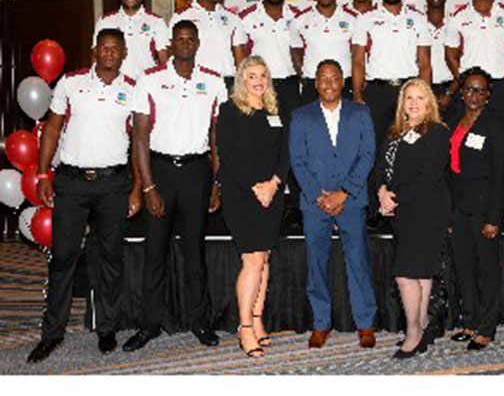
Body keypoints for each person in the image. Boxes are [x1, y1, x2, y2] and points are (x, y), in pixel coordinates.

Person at [27, 29, 141, 363]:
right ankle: (52, 333)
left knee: (110, 259)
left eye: (115, 49)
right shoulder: (71, 83)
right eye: (103, 48)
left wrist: (136, 187)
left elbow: (138, 143)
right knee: (63, 257)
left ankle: (106, 328)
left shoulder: (133, 89)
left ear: (123, 54)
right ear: (94, 51)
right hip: (72, 182)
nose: (109, 53)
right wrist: (44, 172)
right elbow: (52, 127)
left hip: (113, 184)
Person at [123, 20, 227, 352]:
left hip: (197, 173)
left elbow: (216, 138)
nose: (184, 44)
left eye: (190, 40)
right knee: (155, 253)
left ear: (197, 44)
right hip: (161, 172)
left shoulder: (212, 82)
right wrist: (149, 187)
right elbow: (140, 136)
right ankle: (149, 324)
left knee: (194, 252)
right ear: (172, 42)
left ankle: (200, 321)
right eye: (179, 39)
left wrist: (215, 183)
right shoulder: (150, 80)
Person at [289, 59, 377, 350]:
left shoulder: (360, 113)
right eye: (323, 79)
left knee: (358, 262)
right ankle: (320, 323)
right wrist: (318, 195)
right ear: (315, 83)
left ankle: (365, 322)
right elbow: (297, 161)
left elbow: (368, 155)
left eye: (335, 78)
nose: (329, 84)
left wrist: (345, 193)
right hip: (315, 203)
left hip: (351, 200)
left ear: (344, 82)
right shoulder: (301, 116)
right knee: (316, 265)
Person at [216, 56, 289, 358]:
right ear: (241, 81)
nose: (258, 81)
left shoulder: (274, 110)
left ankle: (257, 321)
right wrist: (255, 188)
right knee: (252, 261)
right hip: (241, 195)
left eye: (263, 75)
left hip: (271, 194)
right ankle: (244, 327)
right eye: (252, 76)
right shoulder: (229, 111)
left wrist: (273, 184)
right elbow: (227, 156)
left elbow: (285, 153)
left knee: (264, 258)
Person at [351, 0, 432, 229]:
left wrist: (425, 99)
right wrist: (358, 94)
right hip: (376, 92)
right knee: (374, 151)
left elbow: (424, 63)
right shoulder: (366, 19)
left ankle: (403, 204)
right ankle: (375, 208)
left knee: (408, 151)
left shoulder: (418, 20)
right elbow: (358, 61)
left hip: (408, 92)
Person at [377, 78, 451, 359]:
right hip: (403, 213)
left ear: (429, 102)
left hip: (427, 212)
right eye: (409, 98)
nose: (414, 103)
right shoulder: (395, 132)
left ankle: (413, 332)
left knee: (405, 274)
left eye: (420, 98)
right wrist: (382, 190)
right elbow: (381, 168)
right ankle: (421, 325)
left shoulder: (436, 132)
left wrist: (394, 198)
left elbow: (429, 176)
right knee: (419, 274)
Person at [447, 68, 504, 350]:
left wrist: (495, 218)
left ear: (488, 95)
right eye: (470, 89)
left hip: (485, 211)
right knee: (465, 268)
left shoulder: (495, 124)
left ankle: (487, 326)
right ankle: (470, 320)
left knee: (487, 271)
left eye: (480, 90)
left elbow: (501, 175)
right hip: (459, 208)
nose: (474, 95)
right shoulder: (453, 120)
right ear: (461, 91)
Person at [241, 0, 303, 123]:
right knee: (261, 130)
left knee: (290, 131)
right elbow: (240, 54)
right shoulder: (247, 17)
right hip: (260, 85)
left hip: (290, 86)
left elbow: (302, 53)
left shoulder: (297, 16)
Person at [170, 0, 246, 89]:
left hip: (227, 82)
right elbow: (172, 54)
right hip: (196, 83)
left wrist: (244, 85)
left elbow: (240, 56)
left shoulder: (232, 18)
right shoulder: (182, 17)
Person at [290, 0, 356, 105]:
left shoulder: (353, 19)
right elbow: (295, 50)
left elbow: (358, 55)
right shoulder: (300, 20)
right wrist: (303, 75)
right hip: (312, 87)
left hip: (344, 86)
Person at [94, 0, 168, 79]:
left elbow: (164, 58)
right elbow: (96, 56)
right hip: (115, 84)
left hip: (146, 84)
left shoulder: (156, 22)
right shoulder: (106, 21)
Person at [425, 0, 456, 115]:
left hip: (451, 89)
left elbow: (463, 62)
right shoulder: (417, 23)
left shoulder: (456, 23)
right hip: (423, 89)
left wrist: (449, 93)